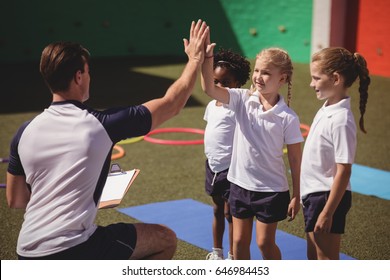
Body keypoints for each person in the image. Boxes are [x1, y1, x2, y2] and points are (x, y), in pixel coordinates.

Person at [6, 19, 209, 260]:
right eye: (88, 72)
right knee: (164, 239)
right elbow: (172, 104)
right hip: (74, 249)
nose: (89, 77)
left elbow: (16, 199)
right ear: (79, 76)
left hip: (26, 253)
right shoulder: (102, 124)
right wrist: (195, 59)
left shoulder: (23, 132)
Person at [201, 33, 303, 260]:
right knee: (238, 243)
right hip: (238, 186)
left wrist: (297, 194)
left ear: (283, 79)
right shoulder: (240, 99)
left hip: (271, 192)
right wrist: (206, 59)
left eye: (266, 72)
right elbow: (209, 88)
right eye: (257, 70)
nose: (258, 76)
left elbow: (296, 160)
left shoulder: (288, 117)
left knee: (265, 244)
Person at [300, 47, 370, 260]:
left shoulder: (341, 120)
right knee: (314, 257)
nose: (312, 84)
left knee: (326, 261)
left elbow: (344, 170)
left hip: (326, 197)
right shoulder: (327, 107)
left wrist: (327, 212)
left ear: (336, 78)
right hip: (314, 195)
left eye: (316, 78)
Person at [203, 48, 251, 260]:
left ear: (238, 83)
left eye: (226, 82)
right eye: (216, 81)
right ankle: (217, 253)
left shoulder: (239, 105)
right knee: (216, 209)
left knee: (230, 214)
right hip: (212, 166)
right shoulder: (212, 105)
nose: (219, 86)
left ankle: (233, 257)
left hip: (232, 169)